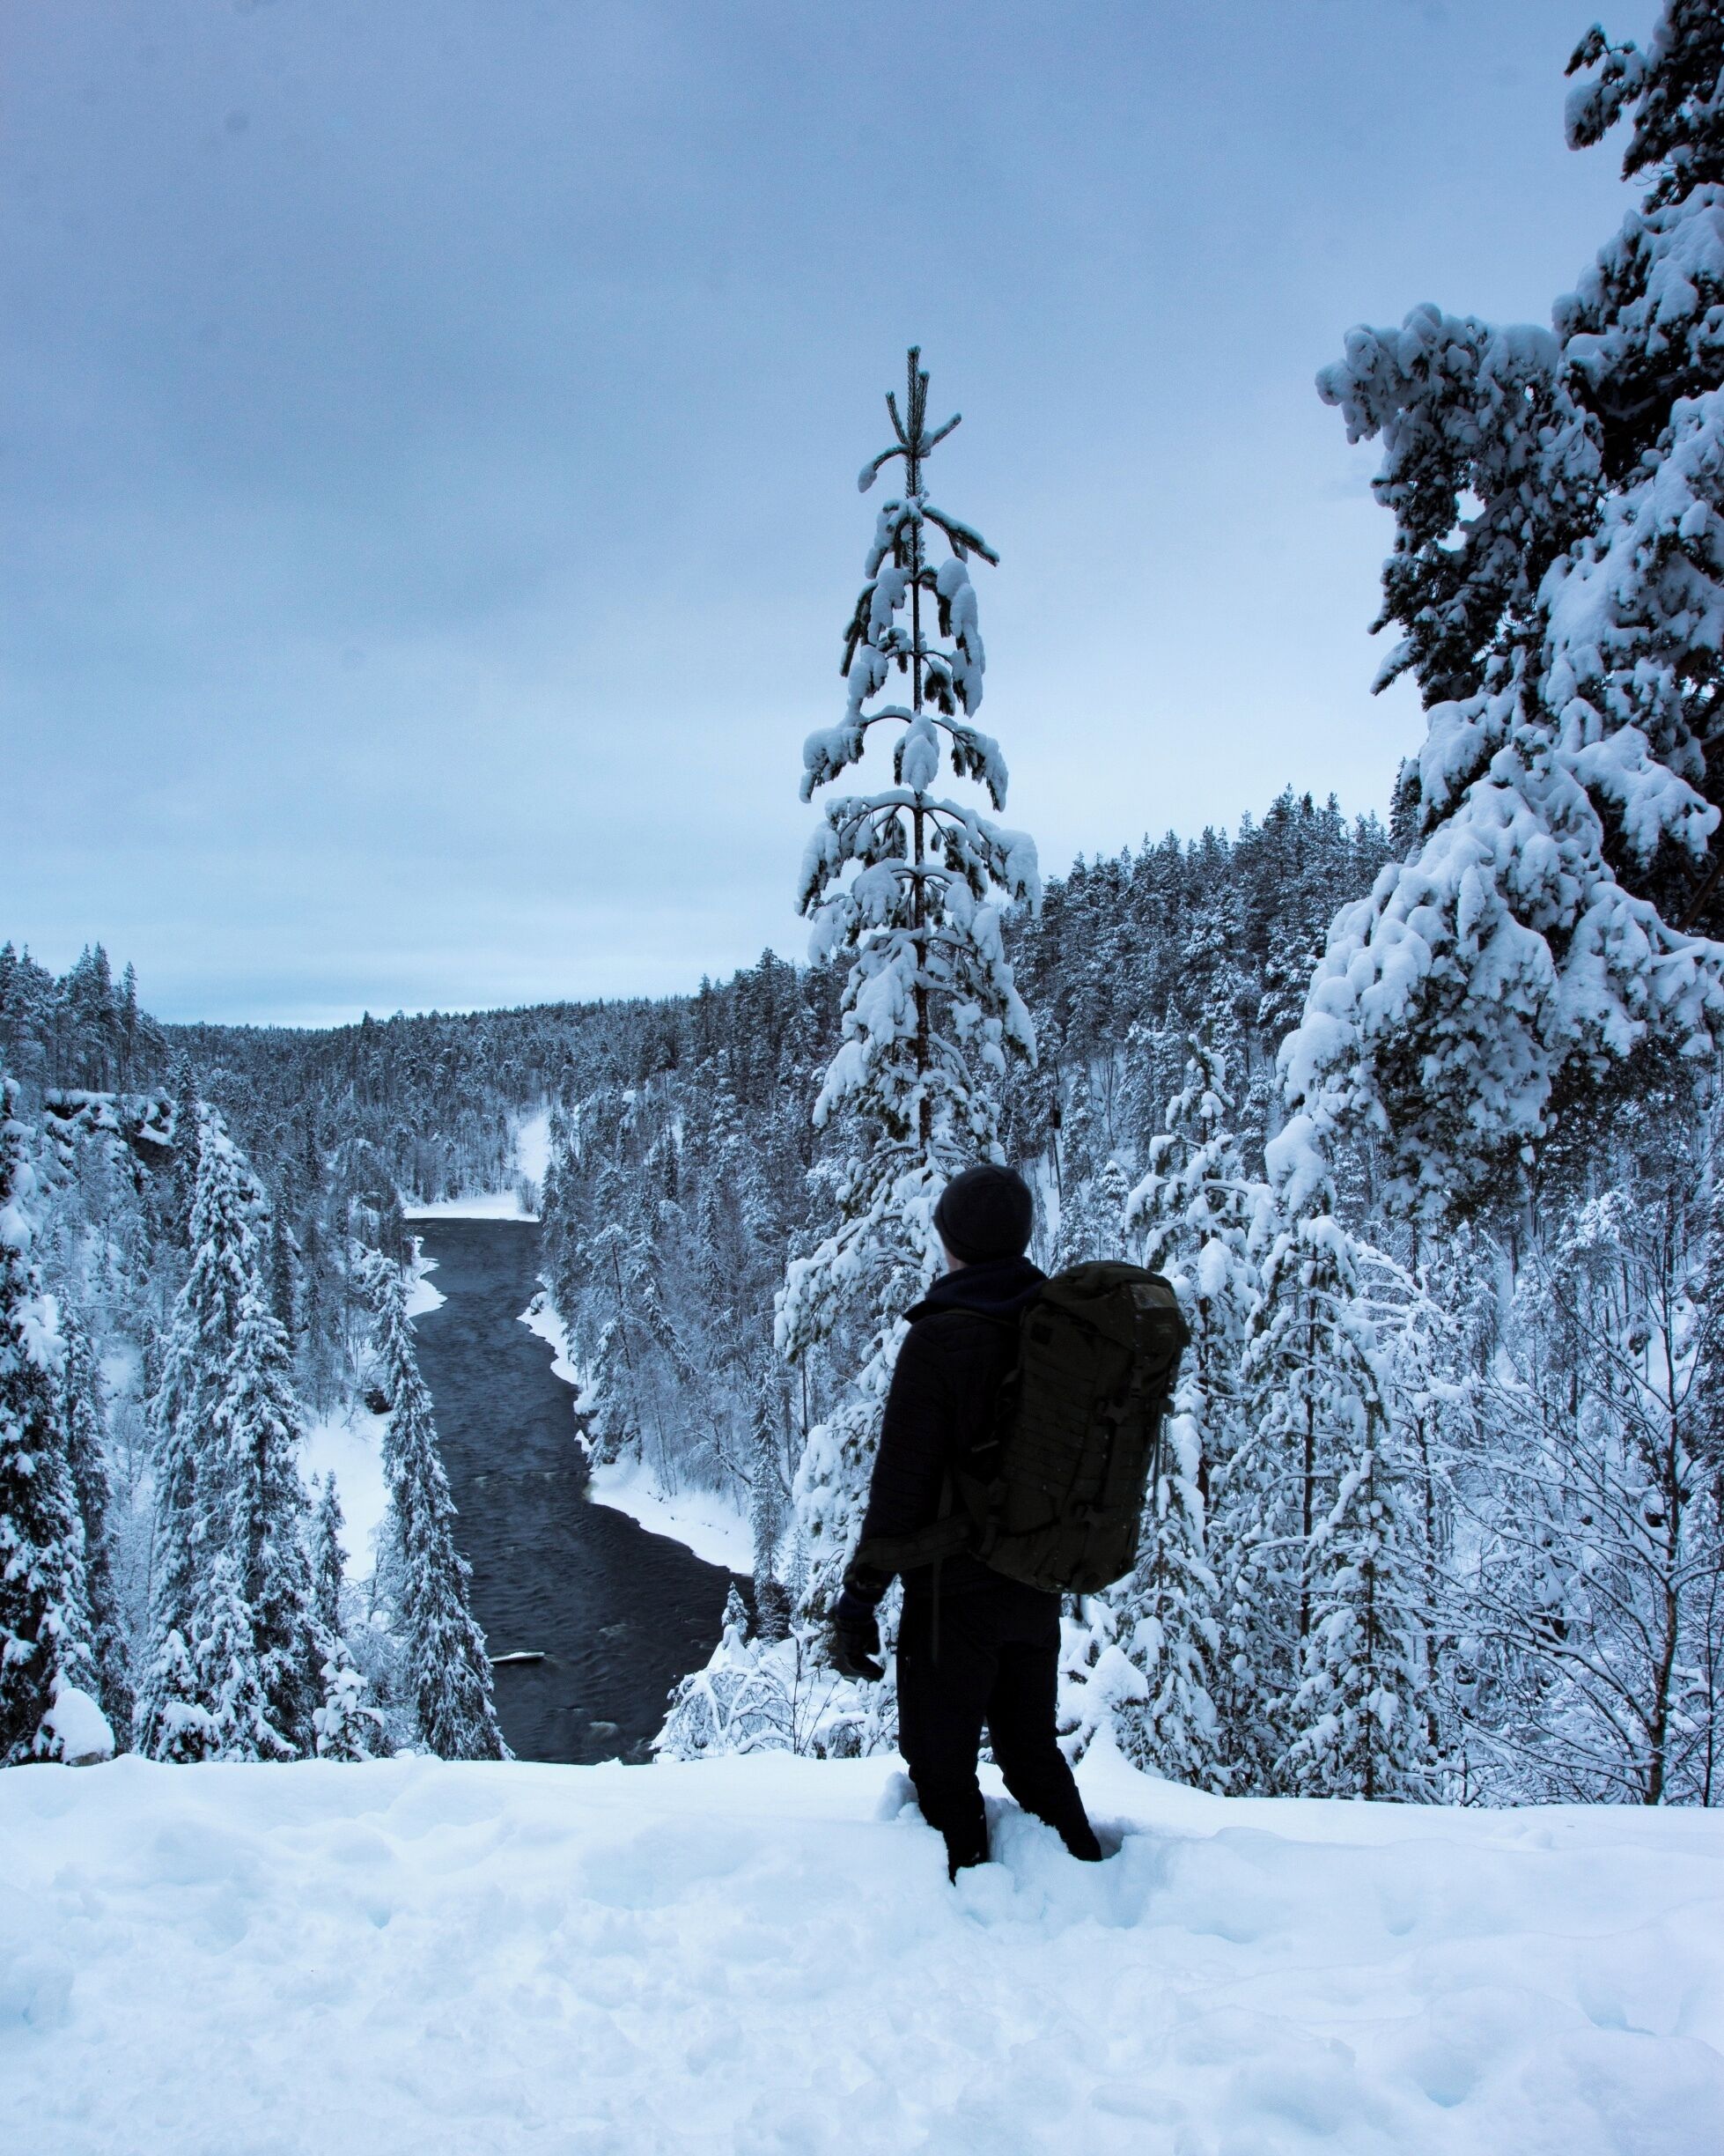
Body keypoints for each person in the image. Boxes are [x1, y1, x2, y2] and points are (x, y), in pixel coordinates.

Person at [827, 1163, 1103, 1878]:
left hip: (954, 1598)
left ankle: (968, 1903)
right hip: (1036, 1584)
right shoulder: (1057, 1326)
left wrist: (858, 1605)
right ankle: (1090, 1879)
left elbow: (899, 1495)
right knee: (1030, 1752)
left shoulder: (941, 1337)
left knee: (940, 1762)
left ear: (951, 1242)